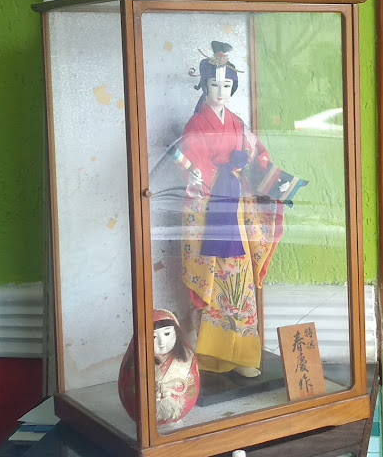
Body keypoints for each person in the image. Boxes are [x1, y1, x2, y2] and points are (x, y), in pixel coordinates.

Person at [176, 41, 285, 378]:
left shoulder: (238, 123)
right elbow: (187, 160)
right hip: (211, 206)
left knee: (242, 279)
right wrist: (201, 175)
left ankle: (243, 354)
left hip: (237, 206)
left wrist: (277, 182)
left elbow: (258, 155)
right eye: (214, 84)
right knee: (214, 276)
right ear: (203, 85)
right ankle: (213, 355)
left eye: (226, 85)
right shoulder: (196, 125)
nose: (220, 92)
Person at [118, 309, 200, 425]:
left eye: (167, 334)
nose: (162, 342)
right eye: (154, 337)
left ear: (176, 333)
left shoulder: (187, 358)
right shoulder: (136, 361)